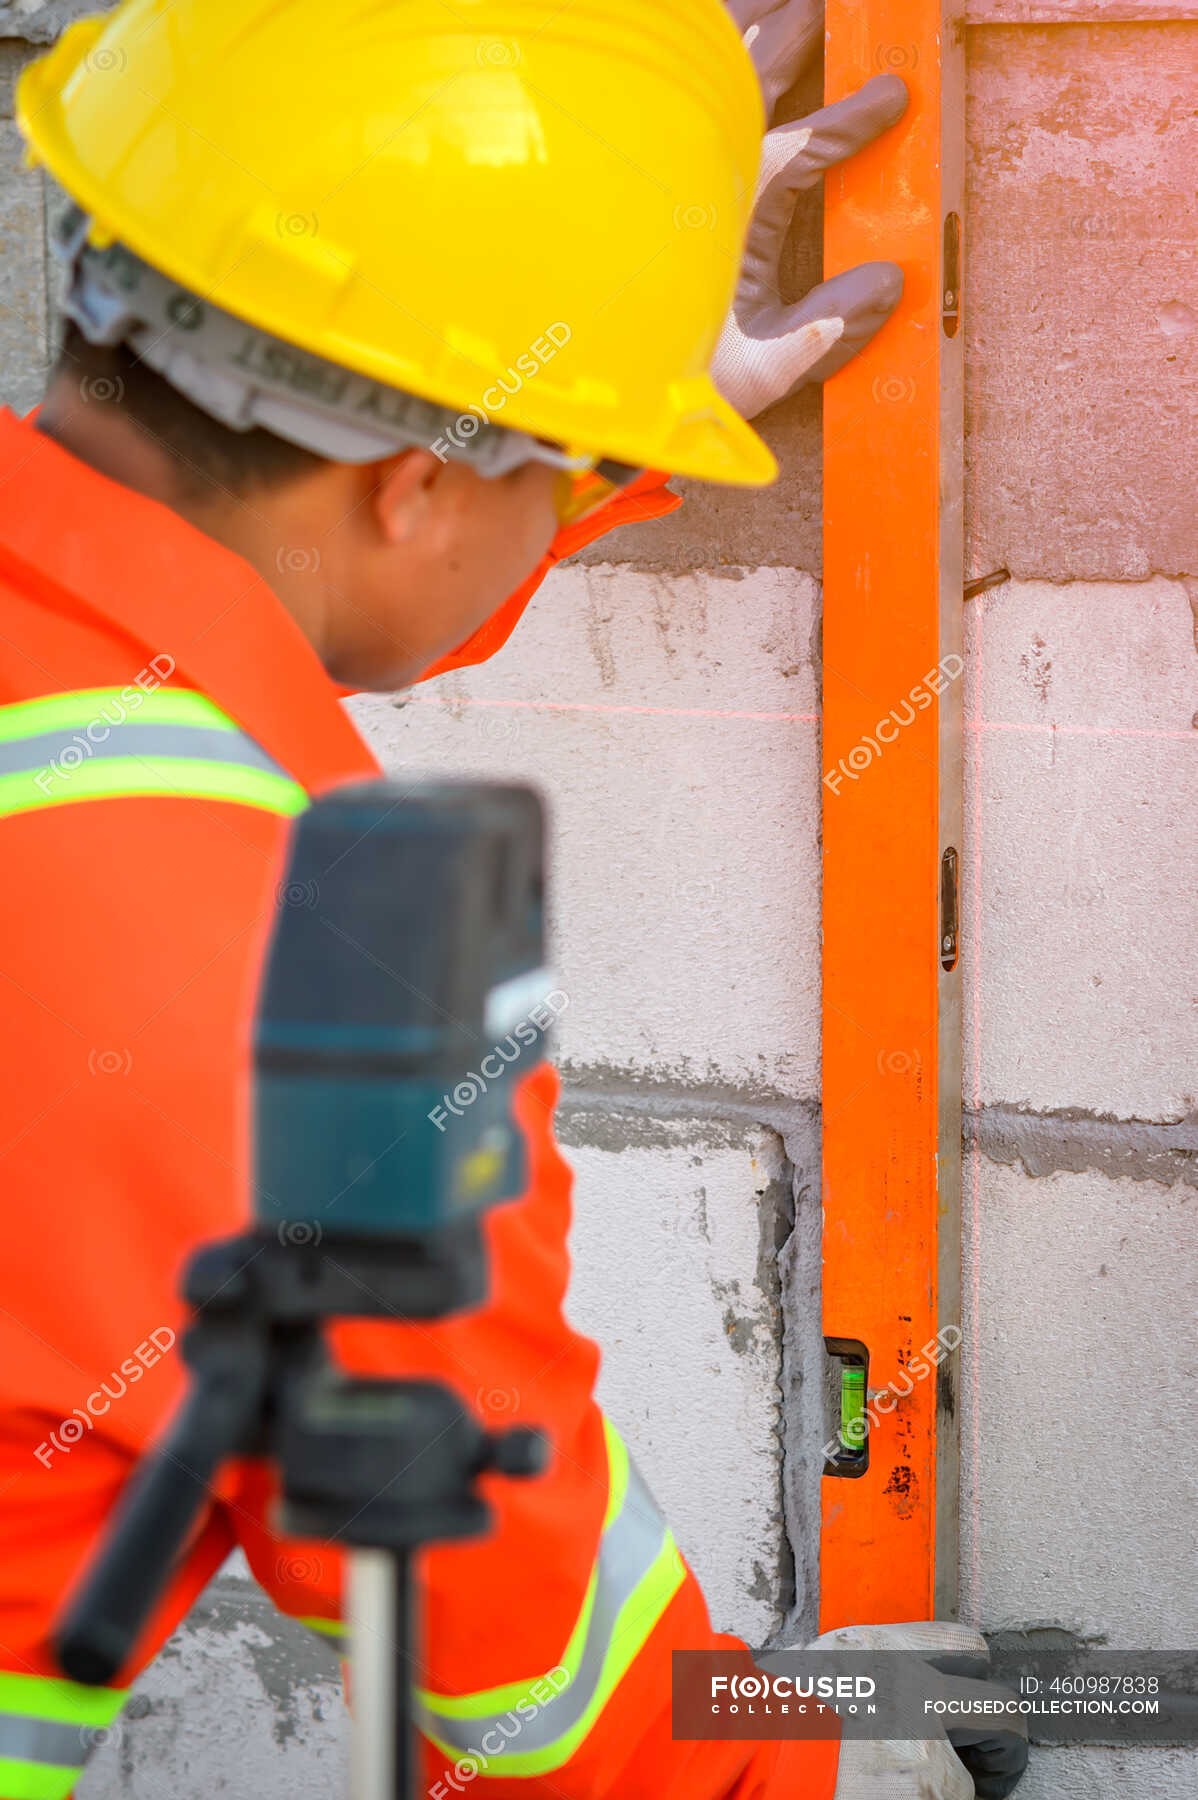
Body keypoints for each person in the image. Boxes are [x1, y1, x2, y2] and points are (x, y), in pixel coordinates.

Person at [0, 2, 1025, 1797]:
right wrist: (849, 1761)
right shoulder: (316, 986)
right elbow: (540, 1692)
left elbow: (303, 580)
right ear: (413, 491)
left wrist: (547, 424)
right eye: (547, 459)